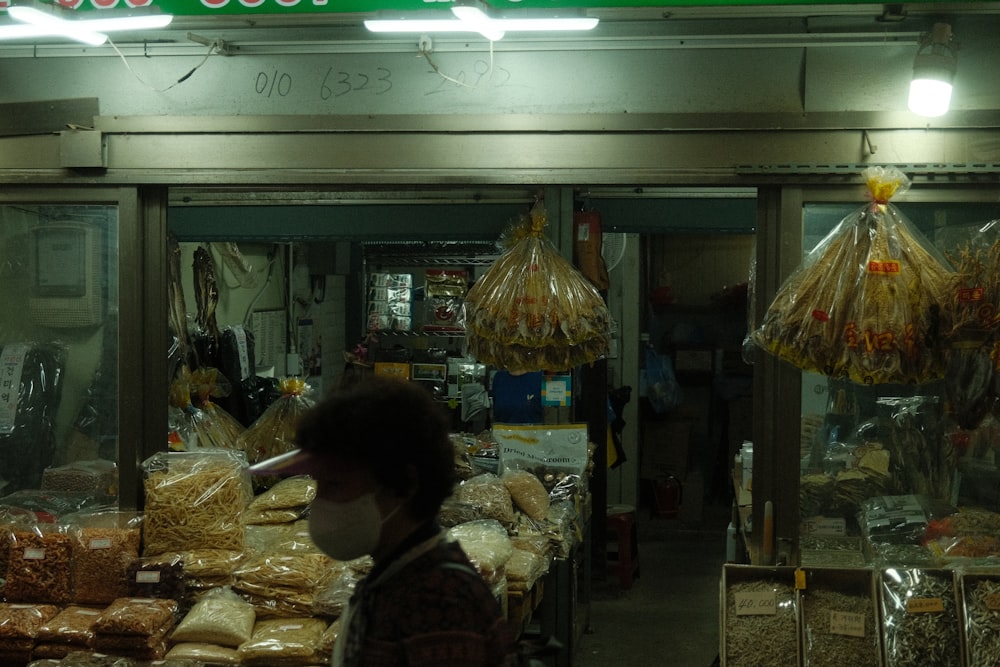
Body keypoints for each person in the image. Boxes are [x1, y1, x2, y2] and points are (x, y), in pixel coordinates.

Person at [250, 375, 517, 667]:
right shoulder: (399, 579)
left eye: (335, 484)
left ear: (404, 483)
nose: (318, 504)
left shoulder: (438, 603)